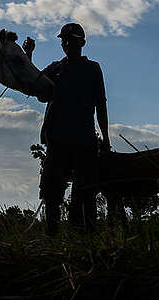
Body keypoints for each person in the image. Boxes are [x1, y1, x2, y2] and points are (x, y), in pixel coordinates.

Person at [23, 22, 109, 235]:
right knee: (51, 193)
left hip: (84, 141)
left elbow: (101, 104)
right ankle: (53, 237)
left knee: (85, 193)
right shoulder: (55, 69)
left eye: (71, 40)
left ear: (82, 43)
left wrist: (105, 138)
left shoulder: (92, 69)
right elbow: (33, 86)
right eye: (64, 40)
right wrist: (28, 55)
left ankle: (85, 238)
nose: (66, 43)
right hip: (57, 140)